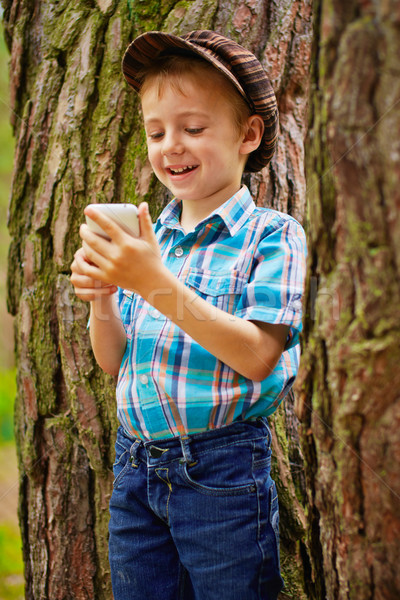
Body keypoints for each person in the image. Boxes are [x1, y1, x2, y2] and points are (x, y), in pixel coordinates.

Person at [70, 30, 306, 600]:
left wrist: (151, 281)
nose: (171, 145)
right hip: (135, 467)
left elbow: (257, 355)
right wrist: (105, 296)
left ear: (248, 134)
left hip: (220, 470)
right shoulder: (153, 238)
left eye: (193, 129)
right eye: (157, 132)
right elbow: (113, 363)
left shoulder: (272, 236)